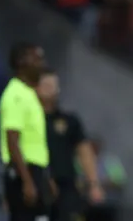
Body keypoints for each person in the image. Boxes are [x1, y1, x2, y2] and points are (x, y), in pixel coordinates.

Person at [36, 69, 104, 221]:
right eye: (46, 84)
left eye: (53, 85)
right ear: (36, 87)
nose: (50, 89)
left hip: (66, 187)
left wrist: (93, 184)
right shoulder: (29, 120)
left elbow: (84, 152)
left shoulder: (70, 120)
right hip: (37, 184)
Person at [0, 42, 55, 221]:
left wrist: (45, 178)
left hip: (35, 171)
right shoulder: (15, 94)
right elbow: (12, 140)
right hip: (23, 171)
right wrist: (27, 181)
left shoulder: (29, 94)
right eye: (37, 58)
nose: (42, 63)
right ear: (22, 61)